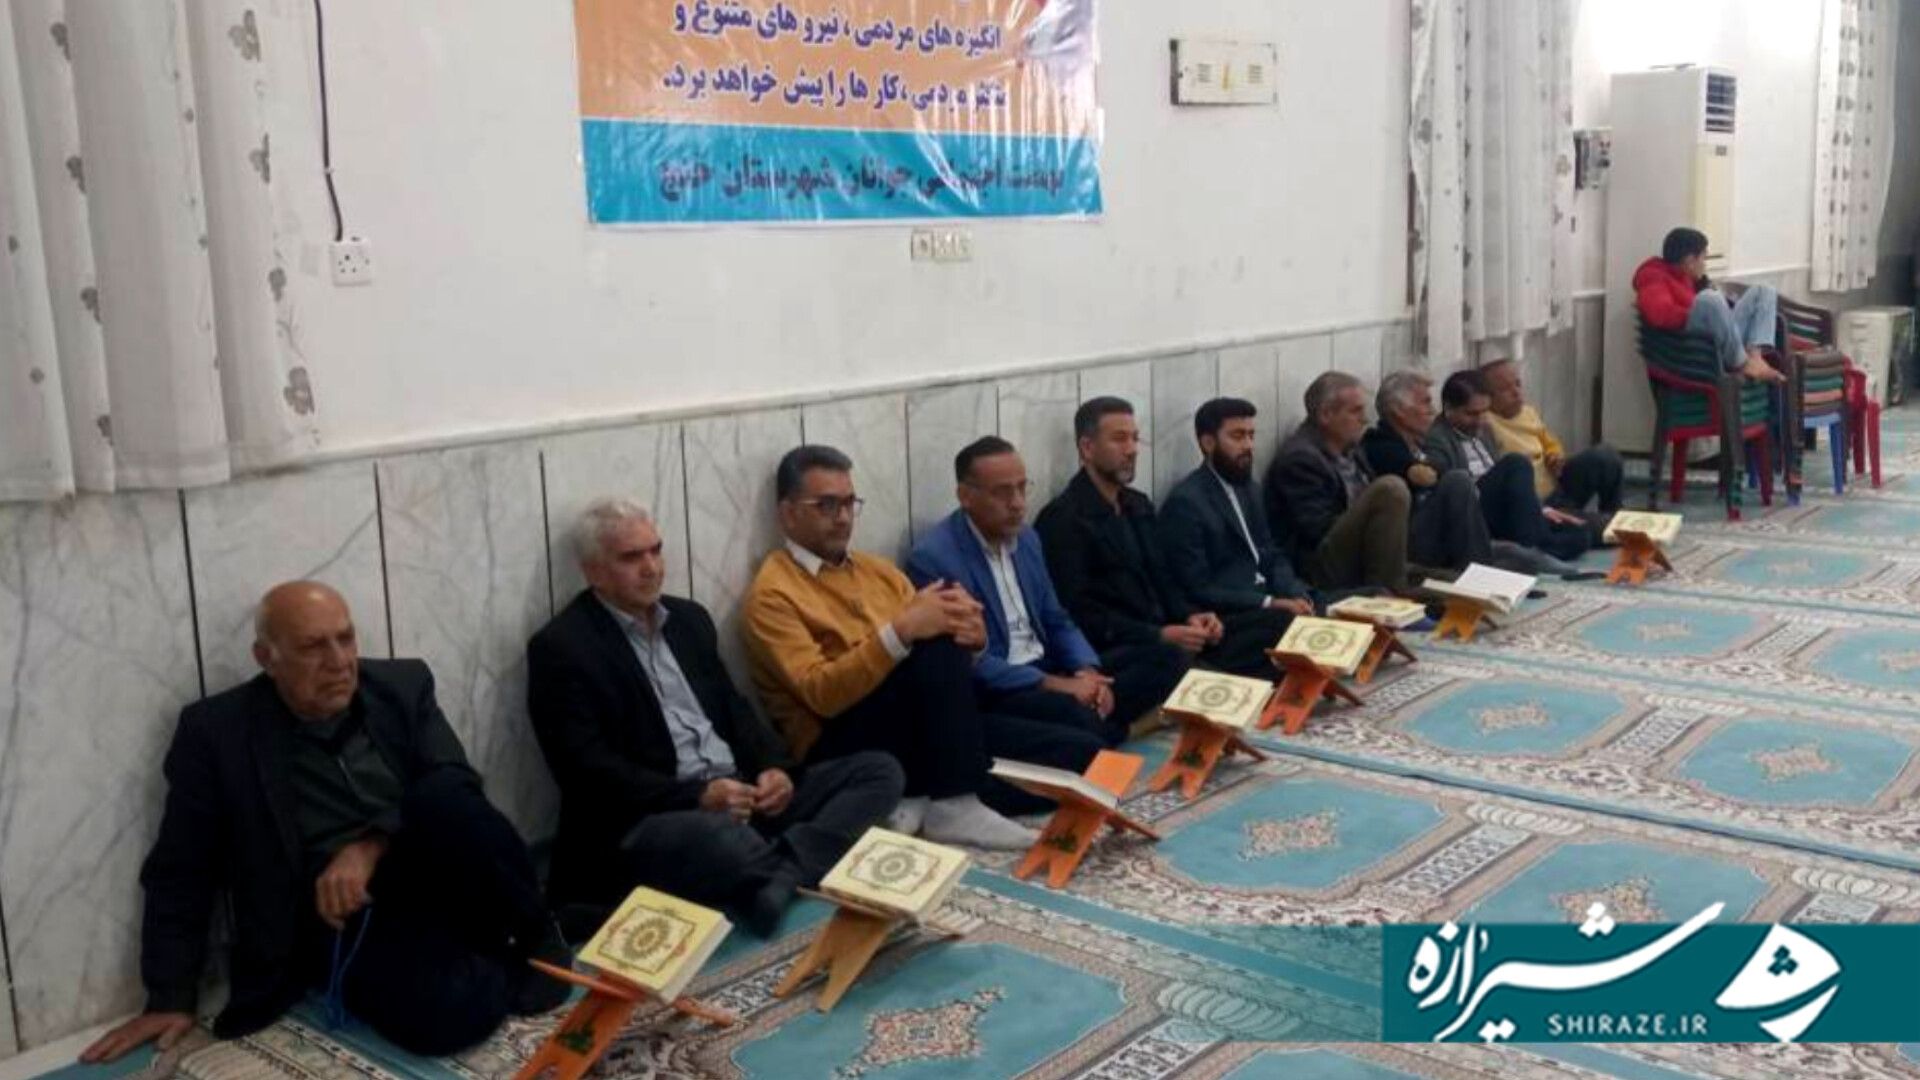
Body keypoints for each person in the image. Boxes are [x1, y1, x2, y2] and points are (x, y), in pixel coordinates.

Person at [82, 583, 568, 1064]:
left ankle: (535, 933)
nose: (338, 662)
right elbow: (181, 868)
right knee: (446, 1017)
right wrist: (170, 994)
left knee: (446, 797)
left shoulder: (402, 685)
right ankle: (488, 958)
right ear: (267, 658)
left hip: (422, 860)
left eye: (345, 638)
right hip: (338, 911)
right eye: (313, 647)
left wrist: (370, 845)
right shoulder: (217, 733)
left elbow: (455, 778)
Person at [527, 498, 903, 938]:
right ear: (594, 571)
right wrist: (698, 795)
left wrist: (773, 769)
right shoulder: (564, 647)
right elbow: (587, 772)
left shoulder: (687, 620)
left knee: (879, 771)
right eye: (631, 558)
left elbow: (735, 711)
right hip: (657, 816)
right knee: (718, 839)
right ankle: (789, 864)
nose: (651, 568)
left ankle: (778, 872)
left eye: (655, 550)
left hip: (740, 797)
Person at [743, 445, 1105, 849]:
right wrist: (901, 632)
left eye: (848, 504)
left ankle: (930, 797)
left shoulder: (877, 572)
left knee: (1084, 753)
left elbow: (945, 668)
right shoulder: (773, 594)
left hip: (921, 727)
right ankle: (953, 801)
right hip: (841, 741)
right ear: (788, 513)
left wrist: (974, 641)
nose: (842, 517)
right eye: (826, 506)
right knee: (933, 640)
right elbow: (820, 695)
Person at [907, 437, 1187, 746]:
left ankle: (1102, 717)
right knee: (1075, 722)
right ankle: (1119, 729)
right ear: (965, 496)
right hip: (1005, 686)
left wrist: (1085, 672)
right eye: (1003, 492)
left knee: (1169, 658)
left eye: (1022, 488)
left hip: (1050, 664)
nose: (1017, 503)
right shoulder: (936, 559)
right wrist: (1055, 685)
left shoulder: (1026, 539)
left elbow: (1055, 618)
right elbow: (973, 662)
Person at [1033, 397, 1292, 680]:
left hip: (1170, 633)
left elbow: (1165, 580)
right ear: (1087, 448)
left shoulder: (1137, 505)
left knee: (1280, 624)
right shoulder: (1063, 520)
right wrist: (1158, 635)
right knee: (1172, 659)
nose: (1132, 450)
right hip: (1123, 647)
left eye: (1135, 439)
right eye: (1119, 439)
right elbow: (1081, 615)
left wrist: (1192, 616)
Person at [1157, 396, 1316, 634]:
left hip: (1273, 599)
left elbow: (1271, 554)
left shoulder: (1250, 488)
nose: (1248, 445)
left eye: (1251, 436)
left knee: (1356, 601)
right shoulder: (1186, 503)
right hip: (1234, 616)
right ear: (1208, 443)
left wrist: (1296, 594)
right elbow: (1198, 588)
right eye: (1238, 436)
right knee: (1287, 621)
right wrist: (1268, 603)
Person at [1263, 373, 1415, 591]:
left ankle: (1400, 587)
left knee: (1446, 582)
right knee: (1391, 489)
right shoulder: (1300, 459)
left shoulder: (1350, 448)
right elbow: (1318, 531)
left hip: (1362, 556)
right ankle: (1387, 597)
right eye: (1356, 411)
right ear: (1325, 415)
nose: (1365, 419)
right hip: (1320, 567)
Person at [1424, 370, 1590, 565]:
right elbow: (1455, 492)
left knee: (1581, 534)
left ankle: (1527, 549)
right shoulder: (1438, 439)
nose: (1480, 420)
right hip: (1477, 511)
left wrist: (1541, 510)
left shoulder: (1484, 429)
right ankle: (1530, 549)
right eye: (1472, 414)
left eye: (1484, 412)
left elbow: (1510, 485)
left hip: (1508, 512)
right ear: (1448, 408)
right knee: (1516, 463)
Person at [1361, 369, 1495, 572]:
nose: (1432, 410)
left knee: (1521, 558)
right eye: (1425, 402)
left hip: (1440, 536)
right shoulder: (1379, 444)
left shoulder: (1418, 444)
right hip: (1406, 544)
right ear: (1399, 410)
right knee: (1458, 481)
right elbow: (1426, 476)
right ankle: (1479, 577)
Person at [1481, 358, 1623, 537]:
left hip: (1557, 489)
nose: (1516, 392)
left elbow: (1550, 442)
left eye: (1518, 384)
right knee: (1607, 527)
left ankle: (1614, 512)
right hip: (1535, 508)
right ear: (1487, 398)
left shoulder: (1528, 412)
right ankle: (1608, 525)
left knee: (1606, 455)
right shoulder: (1486, 423)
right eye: (1505, 389)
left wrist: (1555, 456)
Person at [1633, 227, 1785, 384]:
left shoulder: (1687, 276)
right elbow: (1659, 314)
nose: (1704, 265)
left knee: (1764, 290)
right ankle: (1743, 364)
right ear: (1690, 261)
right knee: (1709, 299)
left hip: (1717, 340)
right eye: (1703, 259)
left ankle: (1755, 355)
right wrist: (1702, 314)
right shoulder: (1653, 276)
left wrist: (1720, 313)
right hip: (1693, 346)